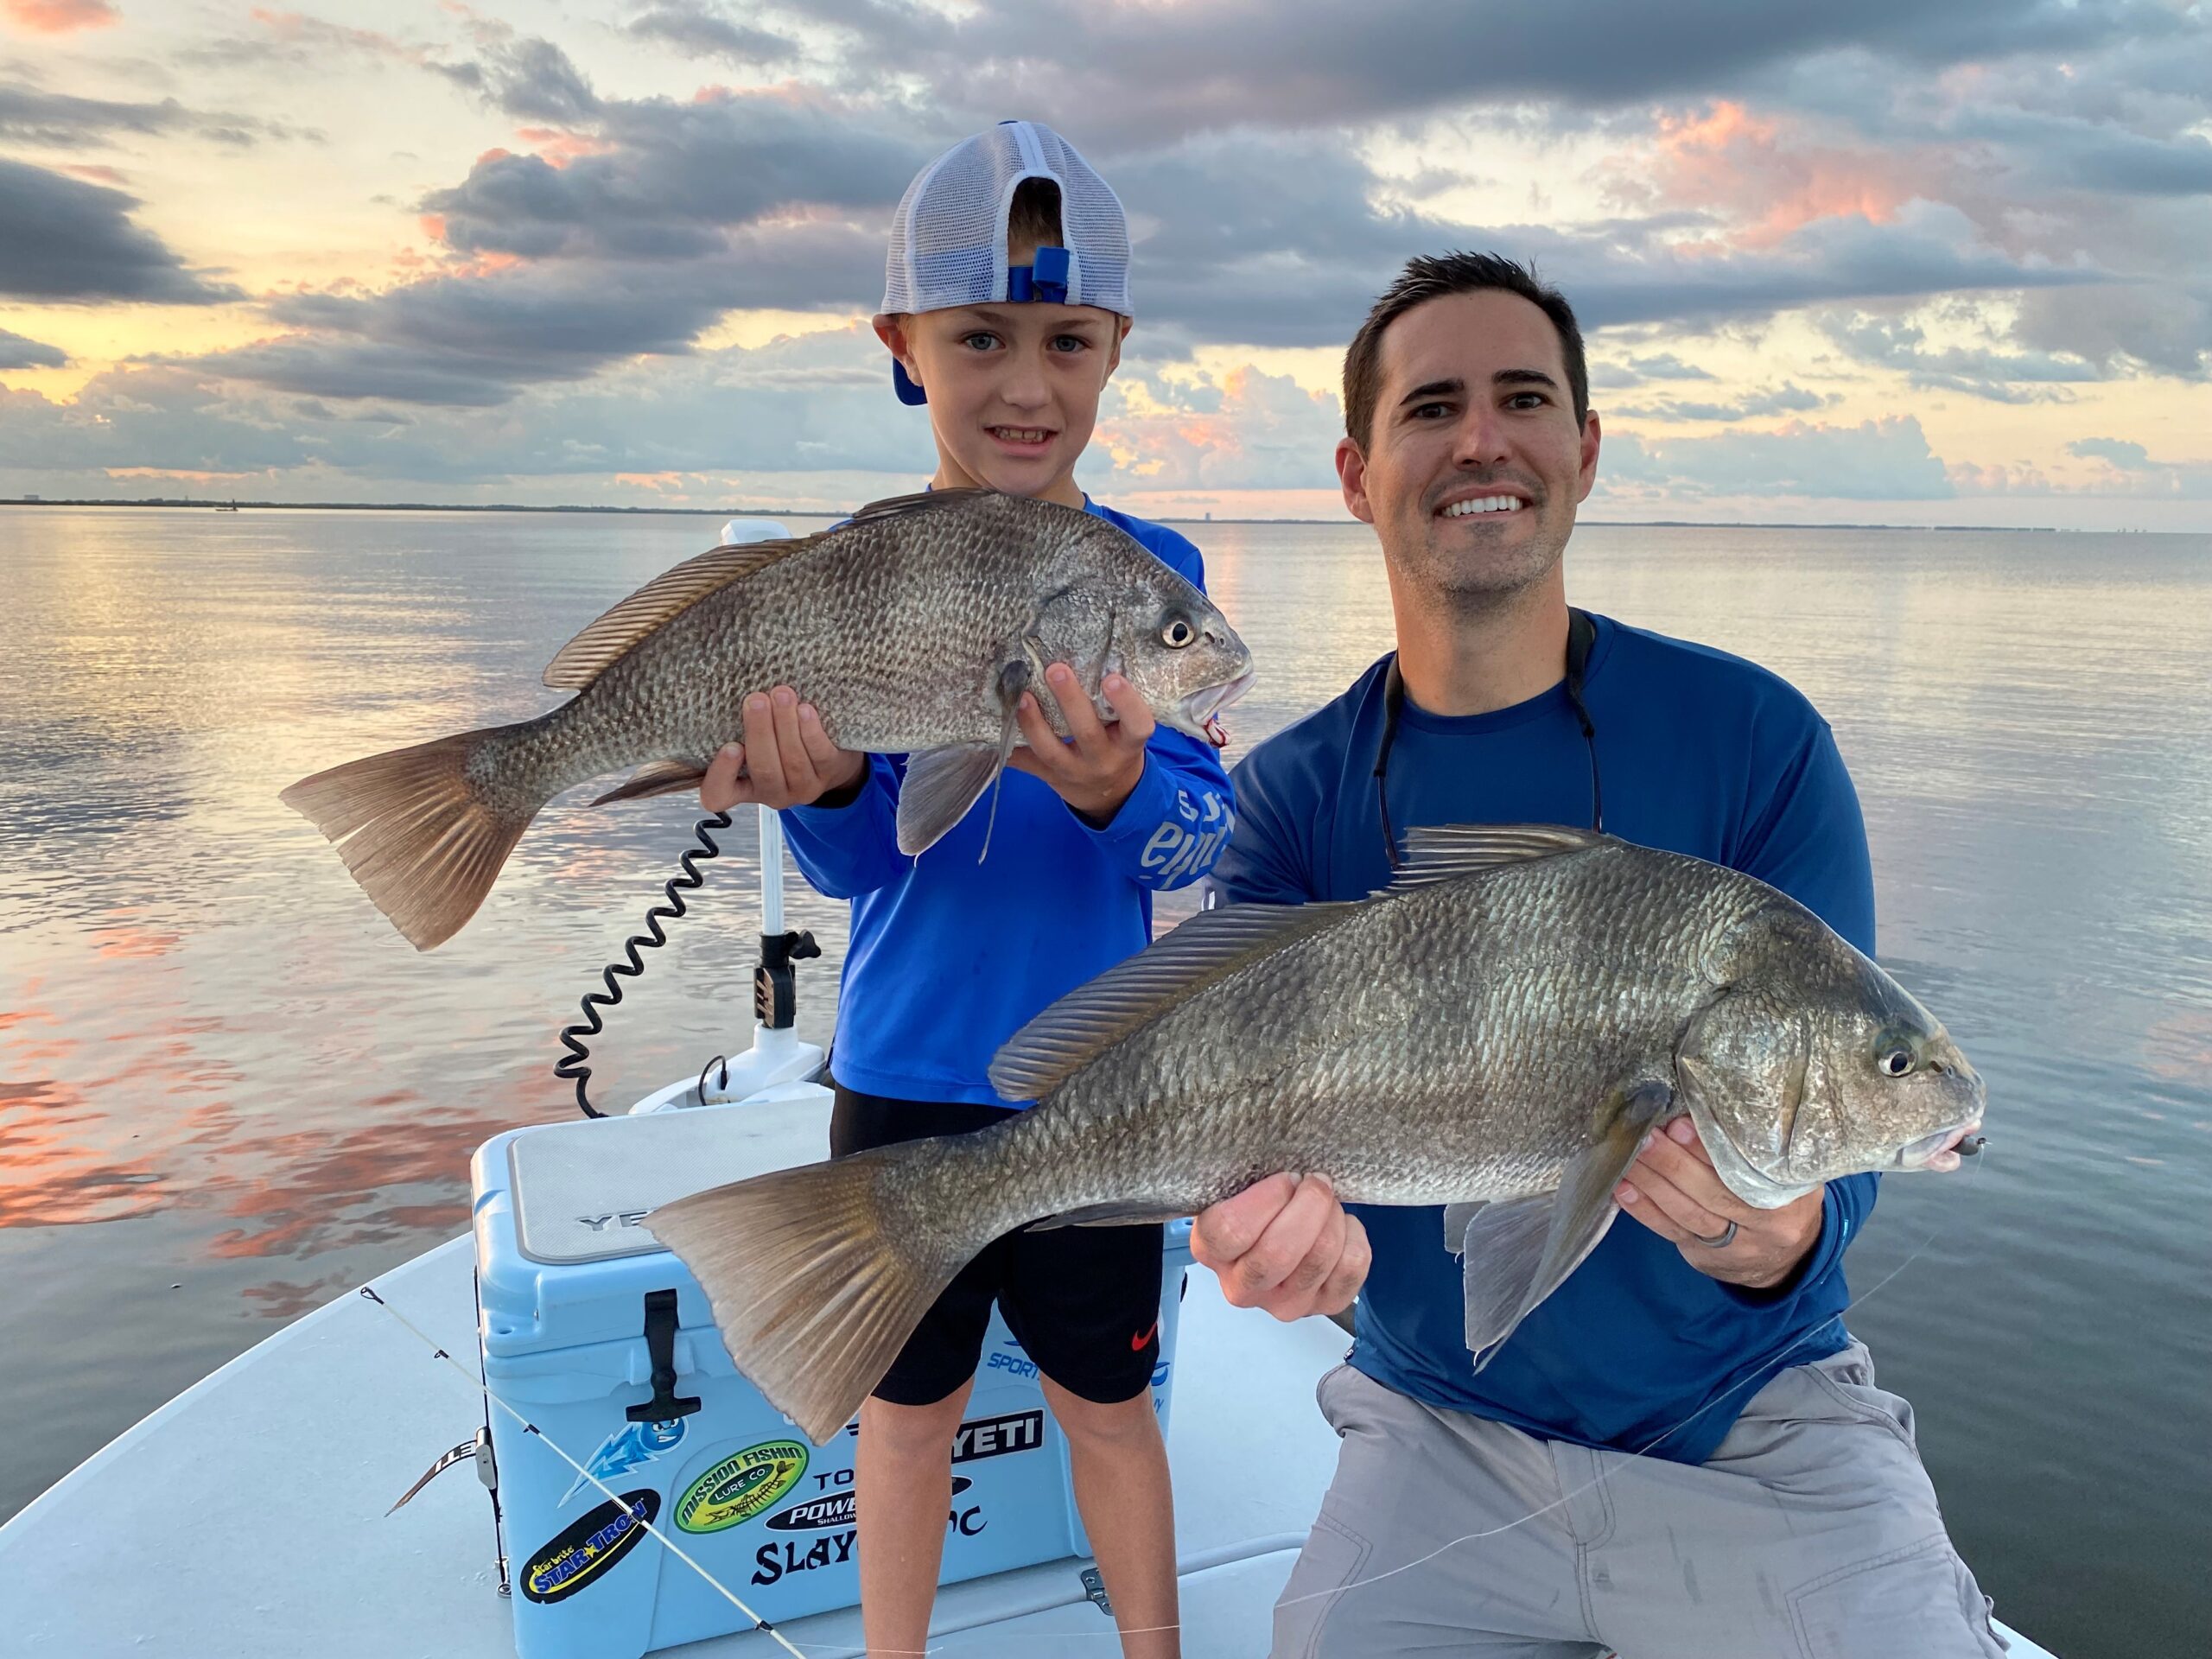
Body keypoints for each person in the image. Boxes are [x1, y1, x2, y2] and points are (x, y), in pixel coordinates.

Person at [1191, 251, 2005, 1658]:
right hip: (1430, 1422)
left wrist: (1790, 1237)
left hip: (1756, 1418)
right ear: (1354, 468)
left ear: (1586, 448)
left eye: (1523, 398)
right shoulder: (1291, 796)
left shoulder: (1757, 741)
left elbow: (1831, 1132)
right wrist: (1253, 1246)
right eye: (1432, 407)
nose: (1483, 439)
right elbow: (1210, 1101)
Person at [697, 121, 1230, 1659]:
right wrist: (834, 784)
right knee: (903, 1411)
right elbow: (863, 866)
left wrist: (1116, 786)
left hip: (1103, 1086)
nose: (1025, 383)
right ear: (903, 349)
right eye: (981, 335)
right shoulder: (859, 573)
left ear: (1115, 350)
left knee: (1110, 1405)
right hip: (904, 1069)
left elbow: (1202, 834)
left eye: (1066, 340)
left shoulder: (1155, 575)